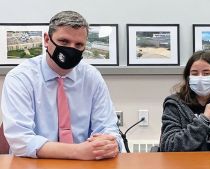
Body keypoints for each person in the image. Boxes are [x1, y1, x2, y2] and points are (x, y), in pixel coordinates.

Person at [1, 11, 122, 160]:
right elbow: (20, 140)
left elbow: (108, 128)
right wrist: (79, 152)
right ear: (47, 40)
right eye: (64, 42)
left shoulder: (92, 77)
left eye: (79, 45)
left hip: (85, 168)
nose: (71, 49)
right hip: (33, 167)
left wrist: (110, 143)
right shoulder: (20, 78)